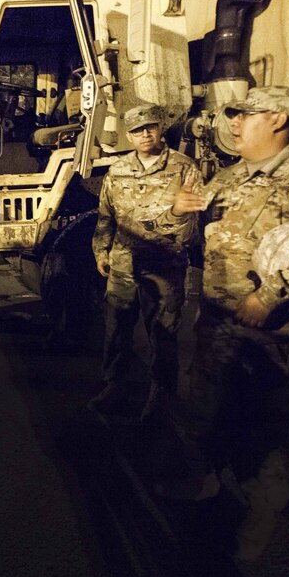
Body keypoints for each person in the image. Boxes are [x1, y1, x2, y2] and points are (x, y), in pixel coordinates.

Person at [159, 86, 289, 560]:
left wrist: (269, 297)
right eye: (232, 115)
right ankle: (205, 483)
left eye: (243, 115)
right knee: (205, 410)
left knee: (261, 427)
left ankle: (265, 508)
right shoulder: (229, 179)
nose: (232, 123)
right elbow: (186, 233)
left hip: (267, 331)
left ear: (277, 120)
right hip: (216, 321)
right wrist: (179, 211)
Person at [90, 103, 201, 421]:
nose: (144, 134)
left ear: (160, 129)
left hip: (164, 265)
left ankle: (162, 396)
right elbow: (105, 216)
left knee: (162, 334)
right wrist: (101, 251)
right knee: (116, 329)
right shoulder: (118, 170)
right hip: (123, 264)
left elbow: (191, 224)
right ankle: (115, 386)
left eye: (150, 127)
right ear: (128, 135)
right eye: (137, 130)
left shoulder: (184, 169)